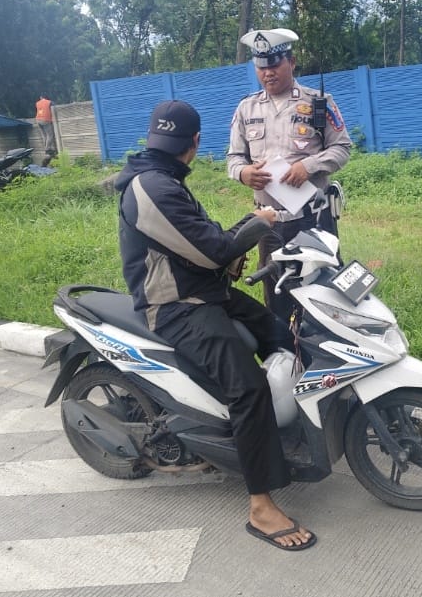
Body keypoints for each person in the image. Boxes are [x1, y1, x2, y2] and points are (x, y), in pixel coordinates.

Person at [115, 99, 316, 552]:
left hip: (207, 292)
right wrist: (257, 223)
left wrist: (242, 236)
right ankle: (261, 506)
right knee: (248, 388)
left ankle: (282, 431)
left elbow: (198, 243)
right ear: (196, 142)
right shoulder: (151, 186)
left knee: (284, 336)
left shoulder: (163, 178)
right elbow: (212, 250)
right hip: (175, 305)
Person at [227, 28, 351, 320]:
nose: (267, 73)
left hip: (312, 219)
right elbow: (233, 158)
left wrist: (308, 167)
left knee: (323, 295)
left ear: (291, 63)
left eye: (274, 65)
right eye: (261, 67)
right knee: (276, 296)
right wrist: (243, 173)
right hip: (268, 223)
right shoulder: (246, 108)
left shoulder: (318, 103)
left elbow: (342, 148)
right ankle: (285, 346)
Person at [35, 94, 57, 166]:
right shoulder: (49, 102)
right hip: (45, 120)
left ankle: (48, 148)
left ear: (41, 97)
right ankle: (47, 149)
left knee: (44, 136)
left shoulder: (37, 103)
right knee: (50, 135)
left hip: (38, 120)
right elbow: (55, 106)